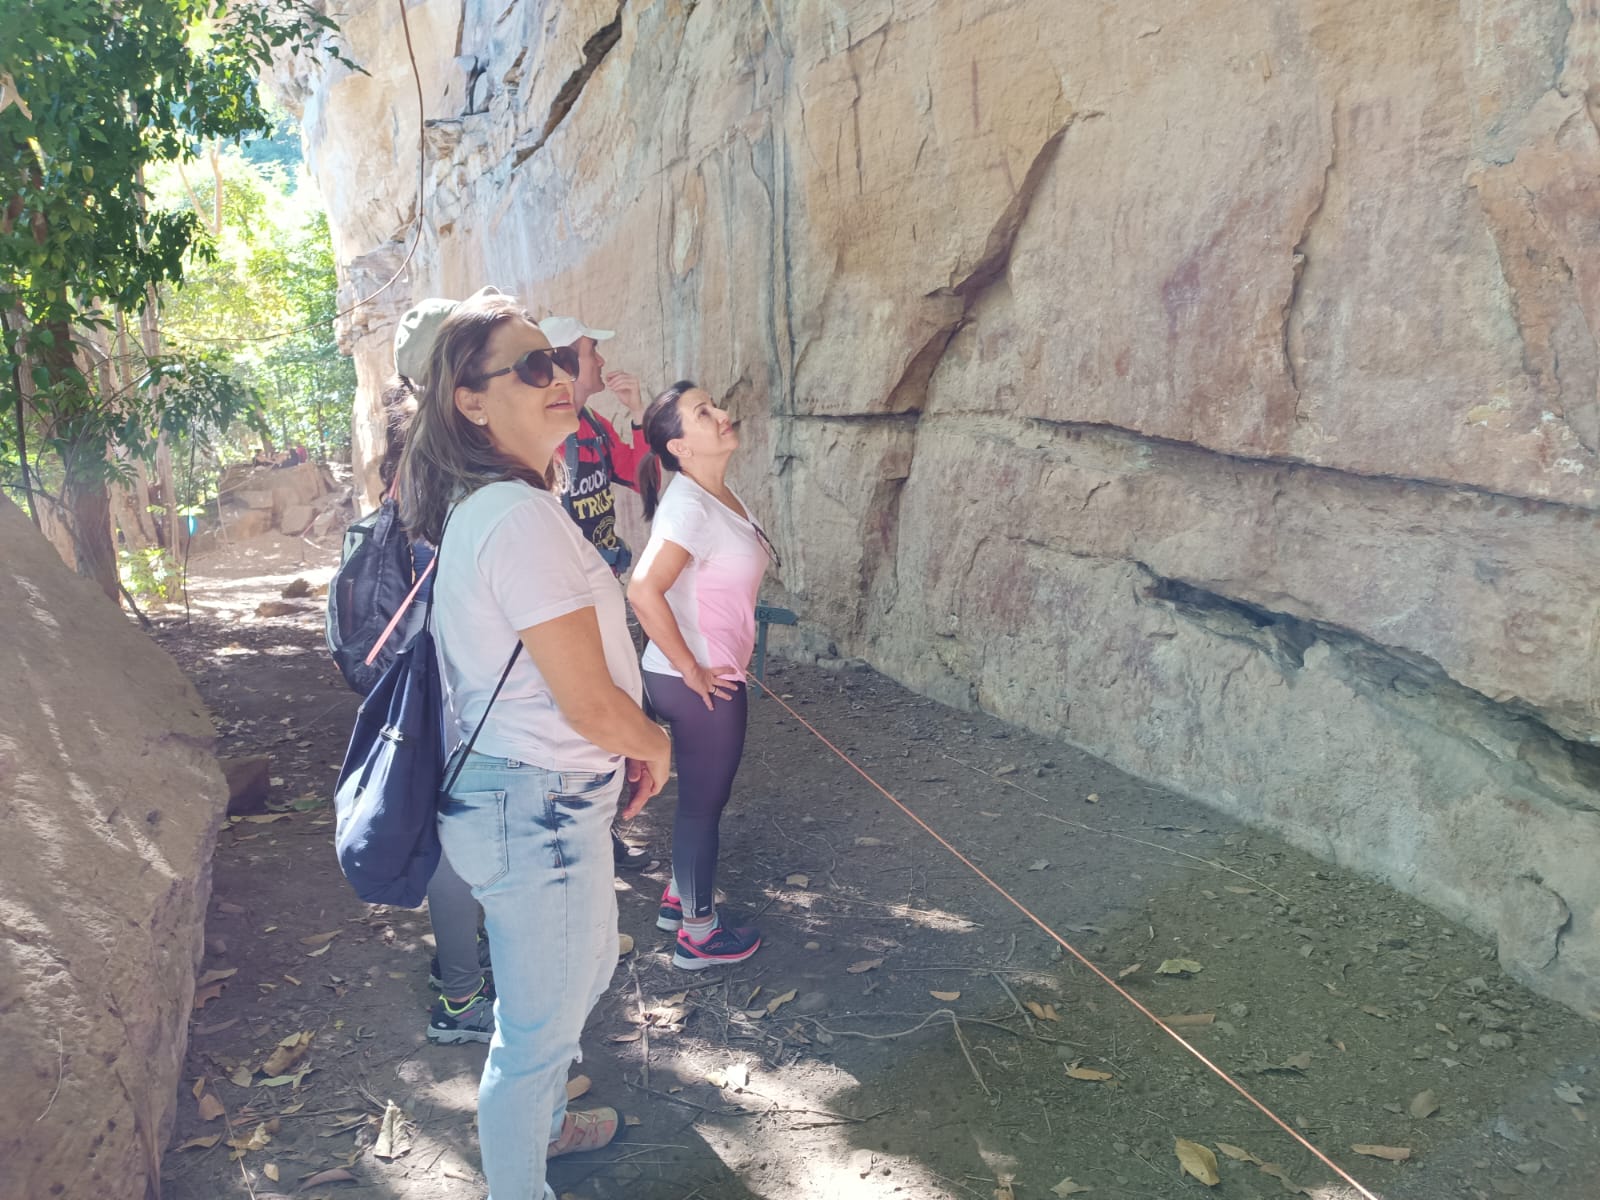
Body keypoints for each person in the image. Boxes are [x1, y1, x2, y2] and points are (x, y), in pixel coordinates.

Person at [396, 292, 671, 1198]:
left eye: (553, 361)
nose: (555, 379)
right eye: (528, 367)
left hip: (547, 798)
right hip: (537, 804)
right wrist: (650, 742)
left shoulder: (512, 503)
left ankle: (546, 1127)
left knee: (583, 969)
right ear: (471, 402)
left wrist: (617, 746)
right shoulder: (514, 518)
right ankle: (523, 1173)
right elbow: (589, 702)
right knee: (537, 1032)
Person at [627, 381, 776, 970]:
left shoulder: (714, 493)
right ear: (680, 447)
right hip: (698, 683)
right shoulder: (689, 505)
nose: (722, 416)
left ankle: (677, 896)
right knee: (701, 808)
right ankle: (697, 932)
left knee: (701, 802)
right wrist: (692, 667)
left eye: (715, 406)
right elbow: (643, 589)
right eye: (703, 414)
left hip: (705, 674)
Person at [539, 315, 655, 873]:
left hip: (602, 586)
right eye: (592, 354)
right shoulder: (544, 437)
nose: (603, 364)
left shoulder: (592, 426)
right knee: (585, 705)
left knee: (613, 698)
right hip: (566, 598)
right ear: (563, 364)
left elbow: (639, 475)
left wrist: (637, 417)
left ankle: (603, 829)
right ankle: (581, 834)